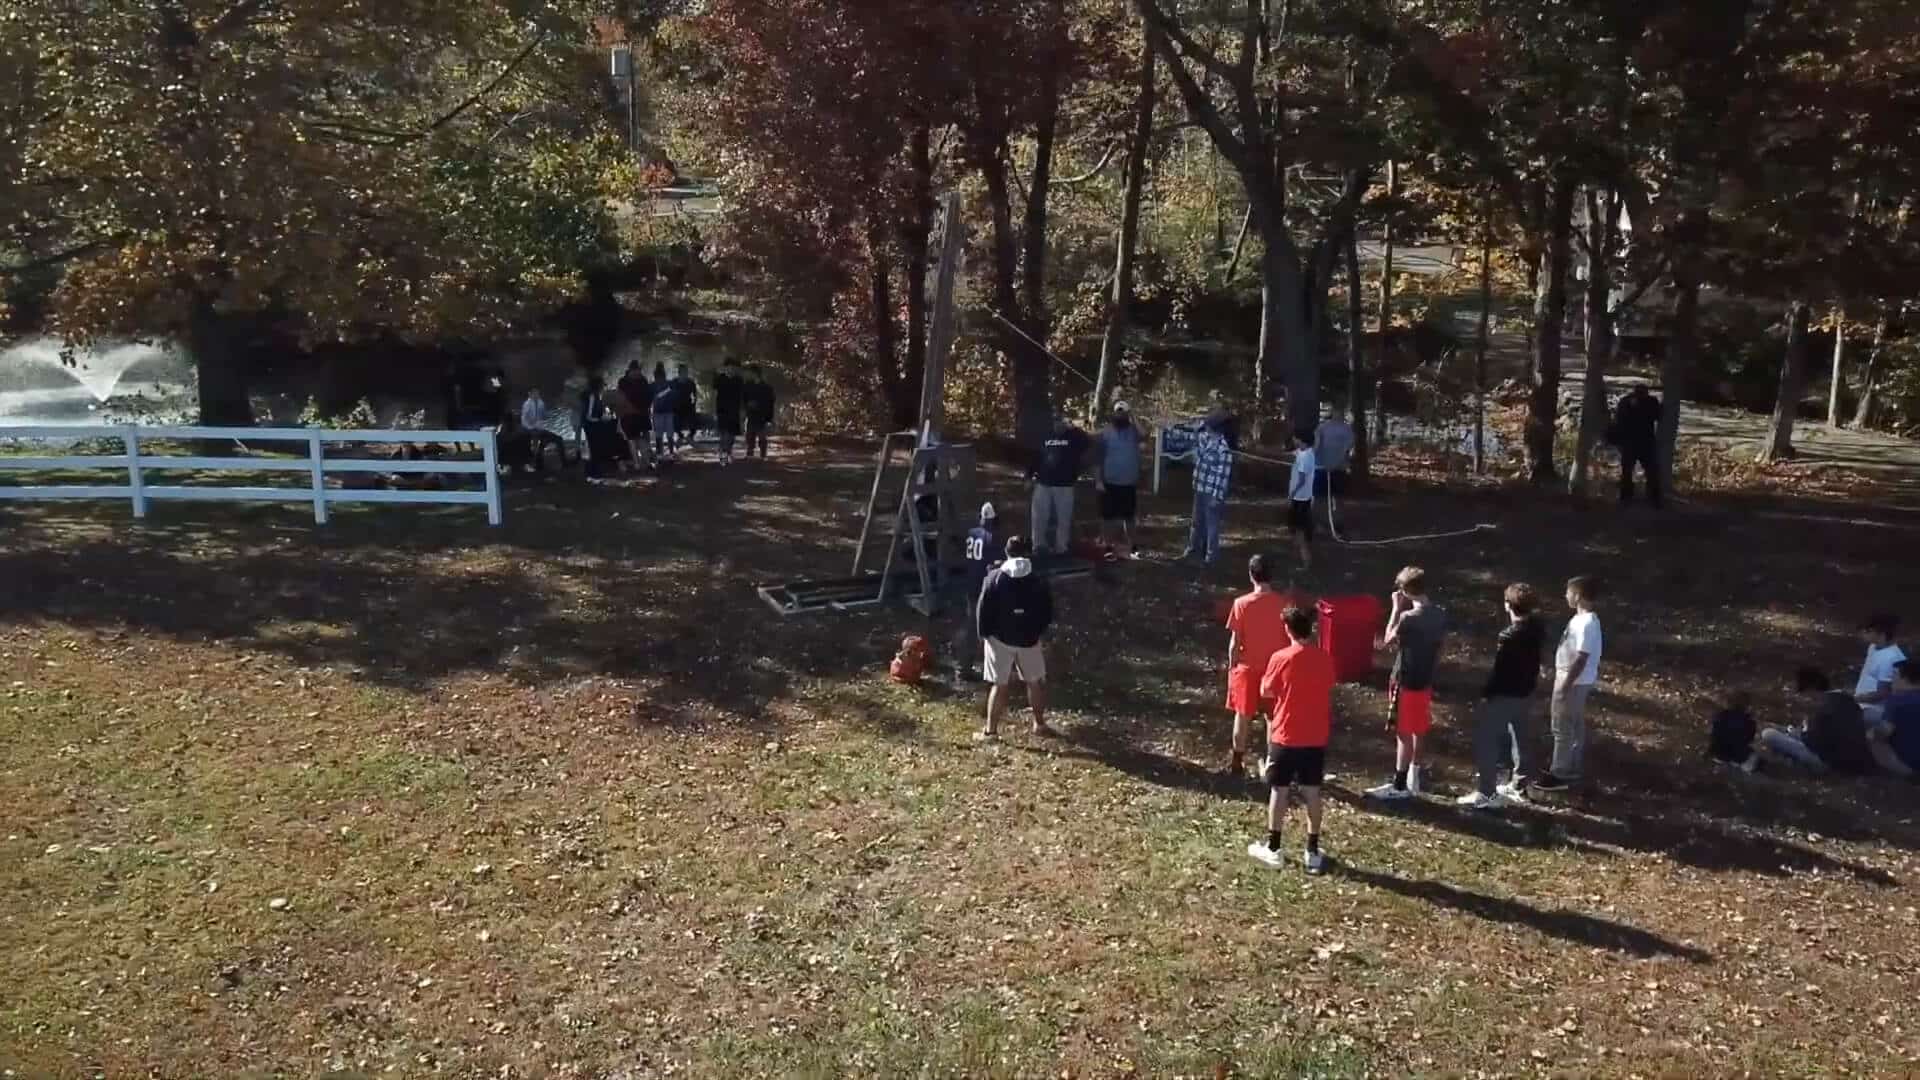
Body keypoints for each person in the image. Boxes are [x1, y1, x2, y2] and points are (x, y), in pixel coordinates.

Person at [1246, 605, 1335, 874]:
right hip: (1315, 735)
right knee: (1312, 792)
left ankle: (1274, 848)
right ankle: (1312, 850)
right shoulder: (1324, 657)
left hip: (1285, 734)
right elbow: (1329, 684)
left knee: (1279, 790)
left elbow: (1267, 690)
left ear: (1288, 630)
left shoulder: (1281, 657)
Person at [1460, 583, 1546, 809]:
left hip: (1505, 694)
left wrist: (1487, 694)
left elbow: (1500, 671)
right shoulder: (1536, 628)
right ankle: (1520, 784)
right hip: (1526, 692)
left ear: (1508, 605)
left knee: (1487, 740)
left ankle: (1487, 792)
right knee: (1520, 736)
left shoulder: (1509, 636)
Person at [1367, 566, 1447, 800]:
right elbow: (1441, 646)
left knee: (1403, 731)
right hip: (1425, 679)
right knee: (1419, 728)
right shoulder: (1440, 614)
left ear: (1405, 591)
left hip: (1405, 678)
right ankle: (1415, 775)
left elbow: (1386, 640)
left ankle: (1399, 784)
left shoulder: (1409, 617)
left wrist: (1395, 608)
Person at [976, 536, 1055, 741]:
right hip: (1028, 639)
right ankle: (1039, 723)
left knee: (999, 685)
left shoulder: (994, 577)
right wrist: (1037, 632)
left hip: (999, 639)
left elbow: (983, 609)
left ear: (1007, 552)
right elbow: (1047, 611)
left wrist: (984, 634)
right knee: (1034, 682)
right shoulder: (1038, 578)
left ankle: (991, 731)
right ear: (1028, 552)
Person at [1535, 575, 1603, 792]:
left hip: (1573, 681)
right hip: (1570, 678)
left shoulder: (1587, 623)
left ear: (1578, 595)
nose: (1565, 596)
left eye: (1568, 592)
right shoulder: (1580, 620)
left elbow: (1582, 657)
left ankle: (1560, 773)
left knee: (1563, 727)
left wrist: (1565, 684)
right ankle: (1570, 766)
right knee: (1572, 725)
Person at [1225, 554, 1291, 776]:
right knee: (1272, 717)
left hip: (1247, 668)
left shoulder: (1241, 604)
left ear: (1251, 575)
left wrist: (1232, 667)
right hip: (1275, 670)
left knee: (1242, 716)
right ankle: (1272, 762)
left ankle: (1237, 761)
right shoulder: (1283, 604)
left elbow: (1235, 643)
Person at [1751, 667, 1873, 774]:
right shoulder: (1848, 699)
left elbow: (1812, 743)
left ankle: (1796, 762)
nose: (1805, 698)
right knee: (1785, 731)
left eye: (1804, 693)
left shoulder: (1822, 709)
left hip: (1830, 762)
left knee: (1768, 734)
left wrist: (1799, 731)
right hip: (1855, 758)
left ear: (1811, 689)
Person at [1162, 408, 1234, 565]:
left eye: (1208, 425)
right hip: (1199, 488)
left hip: (1212, 493)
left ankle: (1210, 558)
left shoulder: (1224, 449)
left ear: (1215, 428)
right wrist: (1167, 428)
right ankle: (1192, 549)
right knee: (1196, 522)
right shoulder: (1204, 438)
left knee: (1212, 527)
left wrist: (1216, 497)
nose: (1205, 427)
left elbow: (1222, 477)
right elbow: (1187, 436)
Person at [1029, 417, 1089, 557]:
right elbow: (1036, 457)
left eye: (1061, 422)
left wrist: (1074, 428)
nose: (1058, 425)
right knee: (1039, 517)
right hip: (1043, 483)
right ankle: (1038, 546)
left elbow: (1087, 442)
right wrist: (1029, 475)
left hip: (1065, 485)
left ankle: (1061, 547)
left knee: (1064, 518)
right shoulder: (1045, 436)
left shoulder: (1074, 437)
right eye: (1056, 422)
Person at [953, 502, 999, 680]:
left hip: (969, 584)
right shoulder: (992, 537)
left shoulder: (971, 533)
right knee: (976, 627)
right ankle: (963, 668)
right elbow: (994, 565)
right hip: (983, 588)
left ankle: (968, 662)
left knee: (972, 624)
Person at [1093, 401, 1144, 558]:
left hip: (1128, 483)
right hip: (1109, 482)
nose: (1120, 415)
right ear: (1114, 413)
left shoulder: (1133, 431)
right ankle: (1108, 547)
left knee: (1129, 517)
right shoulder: (1106, 432)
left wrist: (1133, 416)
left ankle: (1133, 547)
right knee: (1108, 518)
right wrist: (1098, 480)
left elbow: (1144, 435)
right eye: (1118, 412)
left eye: (1123, 412)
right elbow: (1097, 458)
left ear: (1127, 414)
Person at [1866, 659, 1920, 777]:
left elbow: (1885, 731)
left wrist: (1869, 734)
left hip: (1909, 764)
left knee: (1871, 739)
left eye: (1894, 675)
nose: (1891, 678)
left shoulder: (1897, 701)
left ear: (1905, 679)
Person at [1612, 384, 1663, 507]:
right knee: (1650, 470)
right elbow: (1658, 416)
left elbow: (1619, 420)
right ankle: (1653, 497)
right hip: (1645, 441)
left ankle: (1627, 496)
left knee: (1629, 470)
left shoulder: (1626, 401)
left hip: (1632, 441)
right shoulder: (1651, 401)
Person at [1854, 613, 1905, 728]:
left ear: (1881, 634)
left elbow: (1882, 693)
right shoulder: (1873, 647)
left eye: (1867, 631)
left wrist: (1853, 699)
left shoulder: (1890, 658)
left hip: (1875, 710)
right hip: (1862, 703)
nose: (1863, 634)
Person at [1313, 408, 1356, 528]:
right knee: (1324, 497)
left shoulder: (1346, 429)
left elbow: (1349, 449)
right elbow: (1316, 446)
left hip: (1334, 468)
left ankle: (1335, 523)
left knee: (1334, 497)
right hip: (1326, 468)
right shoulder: (1323, 428)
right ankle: (1324, 523)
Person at [578, 376, 622, 483]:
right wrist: (600, 419)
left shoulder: (595, 395)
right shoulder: (592, 396)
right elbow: (588, 415)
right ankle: (592, 471)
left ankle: (593, 470)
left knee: (595, 448)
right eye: (603, 385)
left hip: (592, 424)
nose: (604, 387)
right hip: (591, 425)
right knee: (594, 448)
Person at [1287, 432, 1317, 571]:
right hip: (1302, 498)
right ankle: (1295, 556)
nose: (1294, 439)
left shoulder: (1306, 457)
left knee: (1300, 531)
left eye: (1296, 437)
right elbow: (1295, 453)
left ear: (1302, 440)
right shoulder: (1306, 452)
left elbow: (1302, 479)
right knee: (1295, 529)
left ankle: (1306, 562)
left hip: (1300, 499)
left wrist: (1292, 493)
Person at [1707, 691, 1758, 766]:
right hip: (1737, 757)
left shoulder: (1722, 715)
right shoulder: (1749, 721)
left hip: (1718, 753)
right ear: (1747, 706)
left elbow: (1714, 732)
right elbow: (1750, 739)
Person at [712, 357, 745, 465]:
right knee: (723, 433)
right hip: (722, 409)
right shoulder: (720, 378)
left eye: (733, 367)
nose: (731, 369)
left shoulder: (739, 380)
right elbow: (714, 387)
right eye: (729, 367)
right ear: (725, 368)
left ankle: (728, 452)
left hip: (734, 410)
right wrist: (716, 373)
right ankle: (723, 453)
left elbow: (742, 396)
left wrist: (742, 410)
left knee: (732, 434)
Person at [743, 364, 777, 460]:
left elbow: (770, 401)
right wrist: (747, 406)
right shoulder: (747, 386)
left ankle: (763, 454)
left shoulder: (766, 387)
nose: (747, 375)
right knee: (750, 435)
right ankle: (750, 453)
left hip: (762, 415)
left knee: (762, 436)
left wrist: (770, 417)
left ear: (755, 374)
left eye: (749, 373)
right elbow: (744, 399)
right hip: (751, 414)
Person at [649, 362, 678, 461]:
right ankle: (670, 453)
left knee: (659, 435)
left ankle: (660, 454)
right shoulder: (669, 384)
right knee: (669, 435)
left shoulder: (652, 385)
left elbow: (650, 399)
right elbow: (674, 397)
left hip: (658, 412)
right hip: (667, 411)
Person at [671, 363, 700, 450]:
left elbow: (695, 395)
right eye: (683, 372)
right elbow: (669, 395)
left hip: (688, 407)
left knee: (694, 420)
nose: (685, 374)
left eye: (686, 372)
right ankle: (681, 436)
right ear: (679, 373)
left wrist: (693, 404)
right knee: (673, 420)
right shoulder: (674, 382)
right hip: (677, 408)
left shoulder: (690, 382)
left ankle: (690, 436)